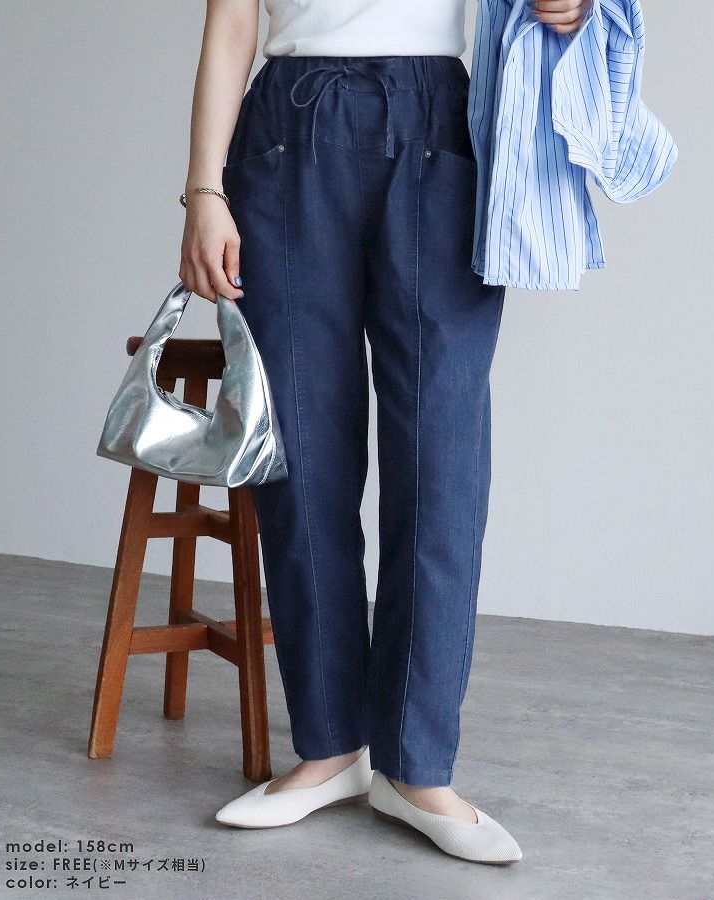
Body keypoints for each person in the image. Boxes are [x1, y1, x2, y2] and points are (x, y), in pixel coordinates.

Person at [180, 0, 587, 865]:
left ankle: (417, 766)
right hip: (286, 132)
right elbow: (231, 23)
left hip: (437, 117)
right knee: (300, 455)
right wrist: (205, 192)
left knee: (441, 459)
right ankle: (329, 747)